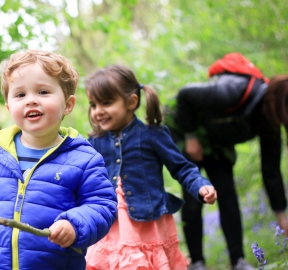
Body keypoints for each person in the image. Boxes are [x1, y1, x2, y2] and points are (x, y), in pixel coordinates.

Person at [0, 50, 118, 270]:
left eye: (43, 92)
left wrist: (74, 223)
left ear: (68, 104)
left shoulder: (84, 158)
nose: (31, 100)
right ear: (8, 106)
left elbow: (102, 205)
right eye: (20, 95)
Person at [83, 64, 218, 270]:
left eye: (106, 103)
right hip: (110, 221)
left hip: (147, 222)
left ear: (131, 102)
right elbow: (82, 179)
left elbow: (182, 168)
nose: (98, 111)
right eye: (93, 105)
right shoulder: (94, 142)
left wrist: (200, 185)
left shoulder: (152, 135)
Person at [165, 68, 288, 270]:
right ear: (278, 103)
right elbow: (185, 95)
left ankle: (238, 261)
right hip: (186, 129)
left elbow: (271, 171)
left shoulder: (269, 122)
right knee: (194, 196)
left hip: (216, 144)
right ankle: (197, 262)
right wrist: (190, 136)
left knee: (227, 194)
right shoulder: (233, 91)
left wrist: (282, 217)